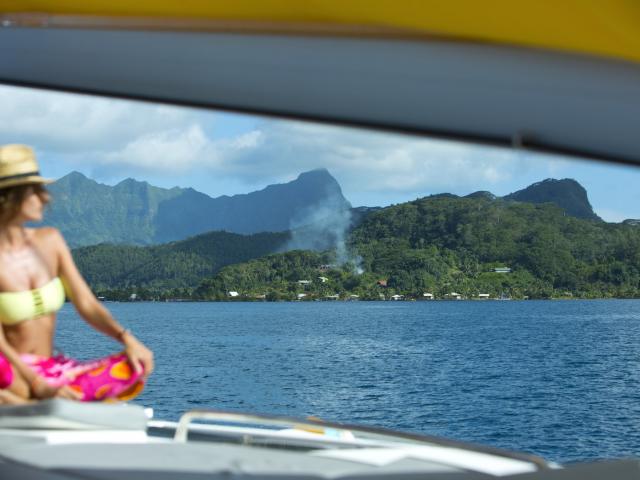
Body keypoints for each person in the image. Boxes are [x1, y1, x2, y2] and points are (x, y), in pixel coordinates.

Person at [0, 144, 154, 404]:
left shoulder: (51, 241)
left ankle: (36, 398)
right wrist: (36, 382)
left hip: (51, 367)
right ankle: (28, 397)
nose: (45, 198)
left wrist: (127, 339)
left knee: (133, 367)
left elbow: (87, 304)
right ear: (10, 197)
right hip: (11, 370)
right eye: (35, 192)